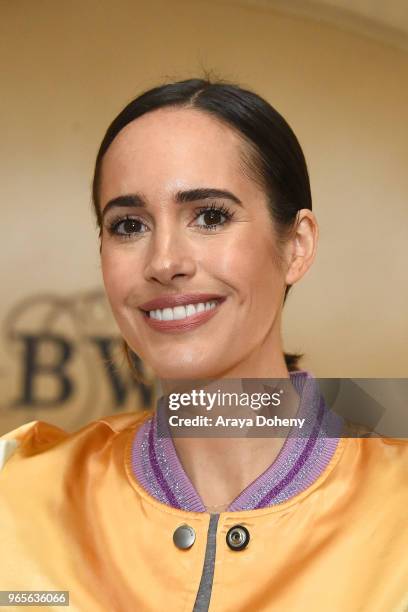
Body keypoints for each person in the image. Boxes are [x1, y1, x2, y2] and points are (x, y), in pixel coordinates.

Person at [0, 78, 407, 612]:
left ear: (297, 245)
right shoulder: (20, 499)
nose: (165, 261)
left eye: (210, 216)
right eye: (128, 225)